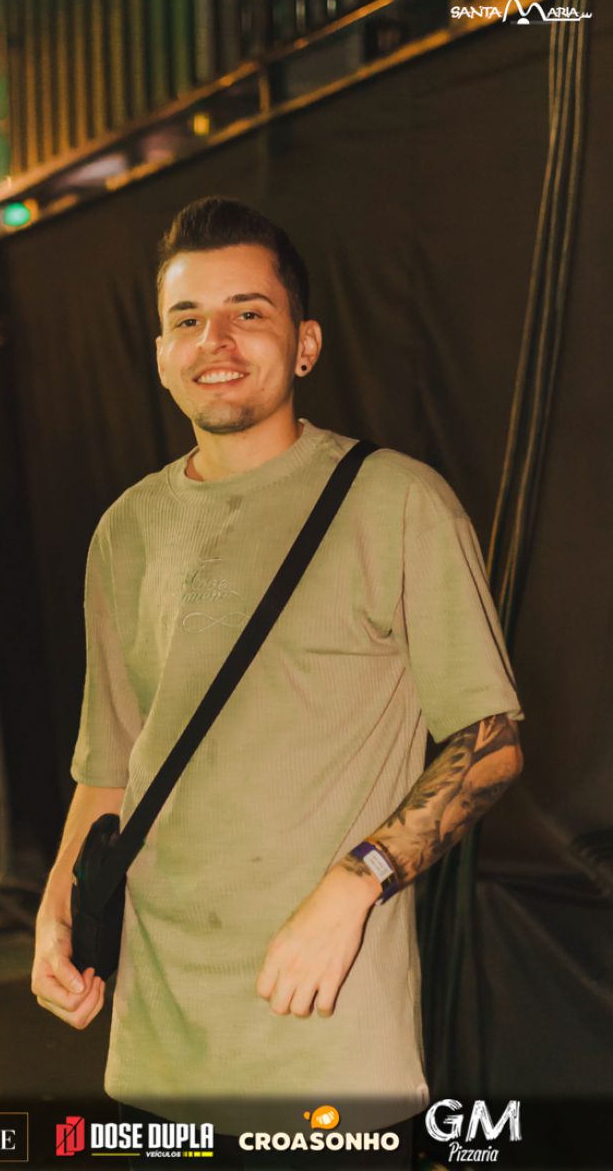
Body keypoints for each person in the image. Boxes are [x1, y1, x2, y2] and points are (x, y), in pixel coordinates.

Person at [30, 197, 524, 1168]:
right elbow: (111, 762)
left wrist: (355, 881)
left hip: (321, 1039)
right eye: (187, 319)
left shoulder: (396, 502)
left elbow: (491, 742)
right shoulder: (126, 529)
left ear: (304, 345)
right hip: (156, 1038)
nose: (214, 341)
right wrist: (55, 911)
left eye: (247, 313)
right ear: (160, 352)